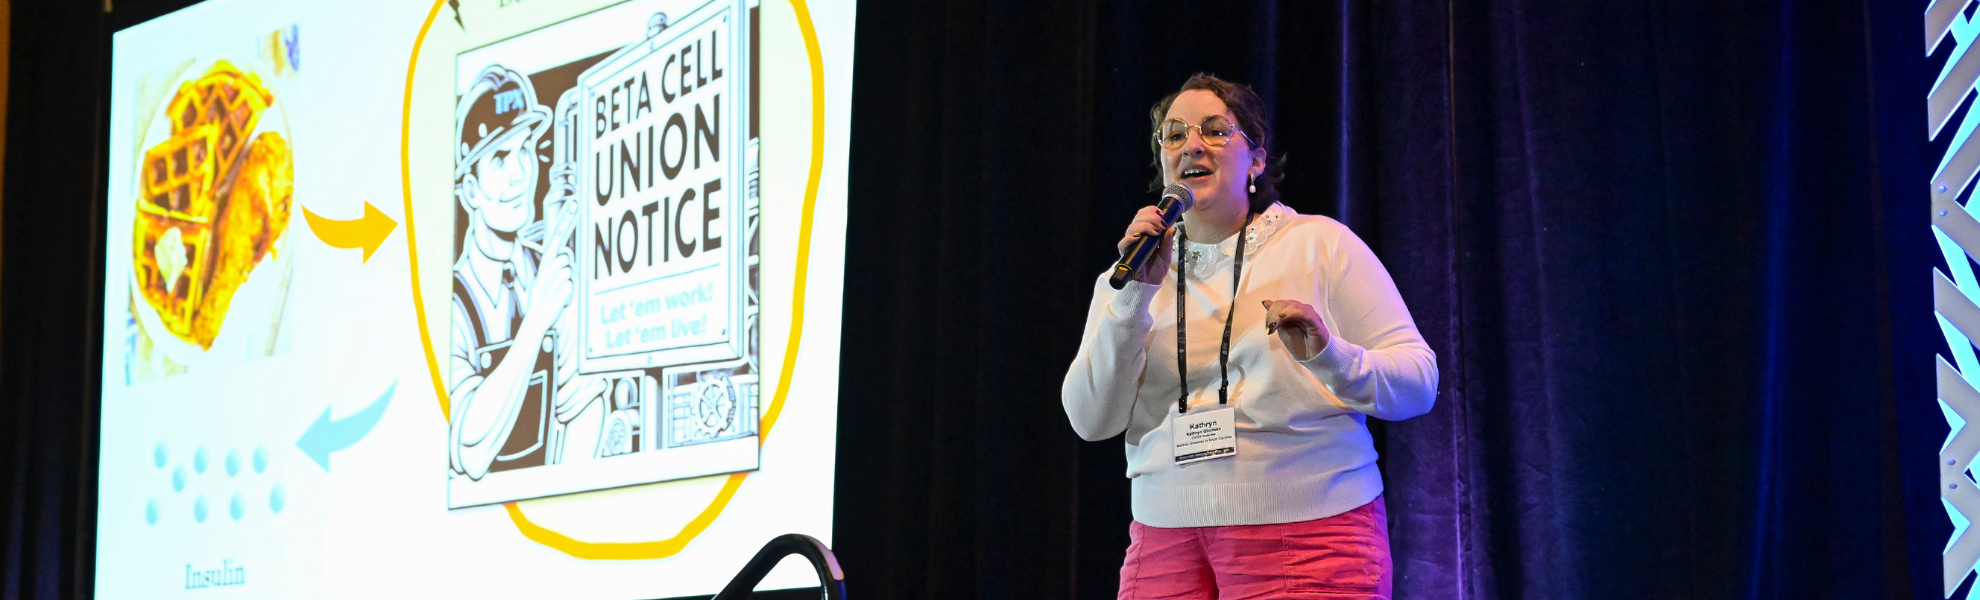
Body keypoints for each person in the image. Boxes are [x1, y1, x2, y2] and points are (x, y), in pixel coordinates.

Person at [1063, 73, 1438, 600]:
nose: (1192, 144)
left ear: (1257, 161)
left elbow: (1419, 383)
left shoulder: (1318, 245)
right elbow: (1090, 420)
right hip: (1164, 539)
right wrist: (1131, 301)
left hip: (1307, 534)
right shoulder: (1132, 274)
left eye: (1215, 131)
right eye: (1174, 134)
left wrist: (1330, 357)